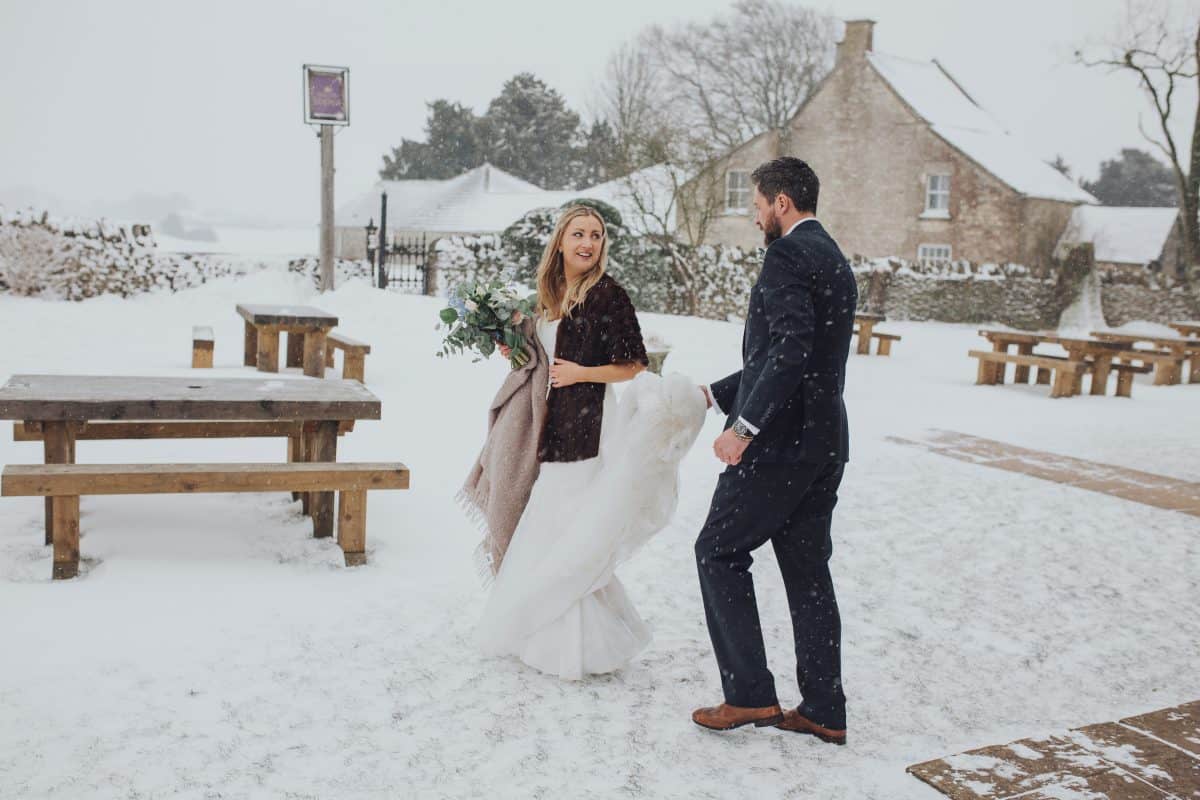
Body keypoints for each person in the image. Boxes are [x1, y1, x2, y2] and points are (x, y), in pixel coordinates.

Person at [470, 205, 703, 680]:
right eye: (578, 234)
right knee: (555, 528)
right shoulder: (548, 294)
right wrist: (513, 347)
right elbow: (539, 356)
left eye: (595, 235)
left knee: (569, 530)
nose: (587, 243)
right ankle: (550, 630)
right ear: (560, 241)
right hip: (547, 423)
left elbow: (634, 364)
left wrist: (583, 373)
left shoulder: (608, 296)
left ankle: (570, 642)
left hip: (587, 425)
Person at [691, 158, 857, 745]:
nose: (755, 213)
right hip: (823, 443)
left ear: (782, 201)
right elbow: (800, 358)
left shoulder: (785, 255)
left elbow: (789, 350)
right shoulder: (834, 258)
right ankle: (823, 707)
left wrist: (744, 428)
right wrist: (718, 394)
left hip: (780, 445)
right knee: (809, 572)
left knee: (716, 551)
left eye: (759, 202)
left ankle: (749, 697)